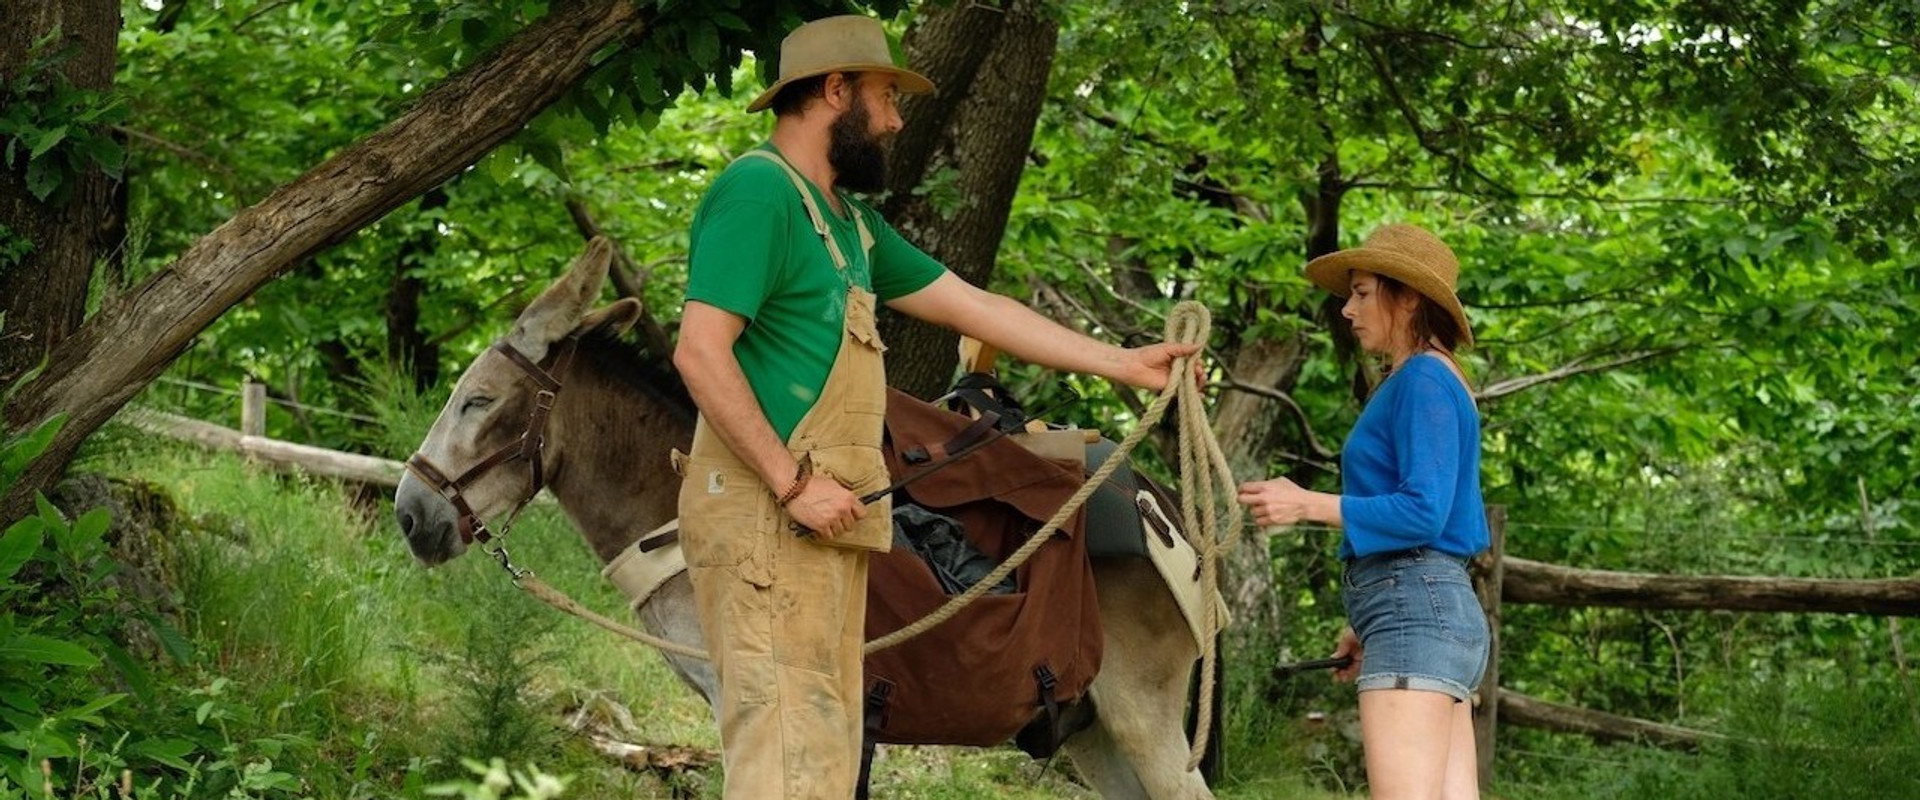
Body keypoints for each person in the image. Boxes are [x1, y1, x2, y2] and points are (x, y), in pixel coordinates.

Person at [670, 15, 1198, 799]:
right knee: (784, 758)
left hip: (826, 527)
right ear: (836, 90)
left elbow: (975, 307)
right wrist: (791, 482)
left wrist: (1124, 362)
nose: (895, 120)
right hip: (766, 523)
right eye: (885, 96)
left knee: (821, 751)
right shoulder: (758, 192)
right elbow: (699, 351)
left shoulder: (848, 224)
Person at [1235, 223, 1491, 800]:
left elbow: (1424, 512)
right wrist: (1367, 621)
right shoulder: (1426, 378)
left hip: (1417, 610)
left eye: (1362, 292)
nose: (1348, 309)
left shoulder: (1424, 379)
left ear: (1408, 297)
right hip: (1425, 609)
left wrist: (1305, 503)